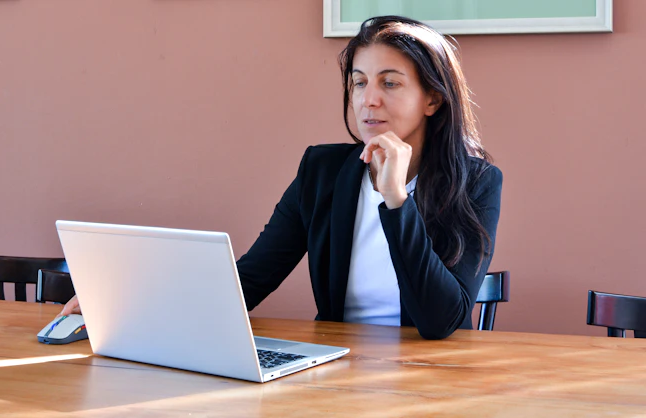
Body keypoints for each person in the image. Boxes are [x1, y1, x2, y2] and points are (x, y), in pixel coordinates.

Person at [61, 15, 502, 340]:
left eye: (390, 83)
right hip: (338, 372)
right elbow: (250, 280)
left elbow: (441, 321)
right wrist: (127, 308)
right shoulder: (322, 172)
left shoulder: (478, 183)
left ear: (433, 100)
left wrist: (396, 202)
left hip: (432, 379)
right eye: (358, 82)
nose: (368, 101)